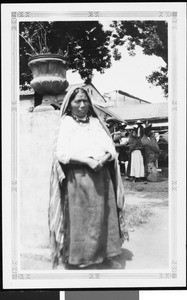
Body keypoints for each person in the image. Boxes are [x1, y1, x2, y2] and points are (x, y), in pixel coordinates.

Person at [49, 87, 128, 270]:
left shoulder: (95, 122)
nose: (82, 105)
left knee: (104, 217)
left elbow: (111, 148)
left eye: (85, 101)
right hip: (79, 177)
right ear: (69, 105)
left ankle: (105, 256)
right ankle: (82, 259)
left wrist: (103, 158)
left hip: (102, 174)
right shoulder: (67, 123)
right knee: (82, 219)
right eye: (78, 101)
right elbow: (61, 154)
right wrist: (87, 161)